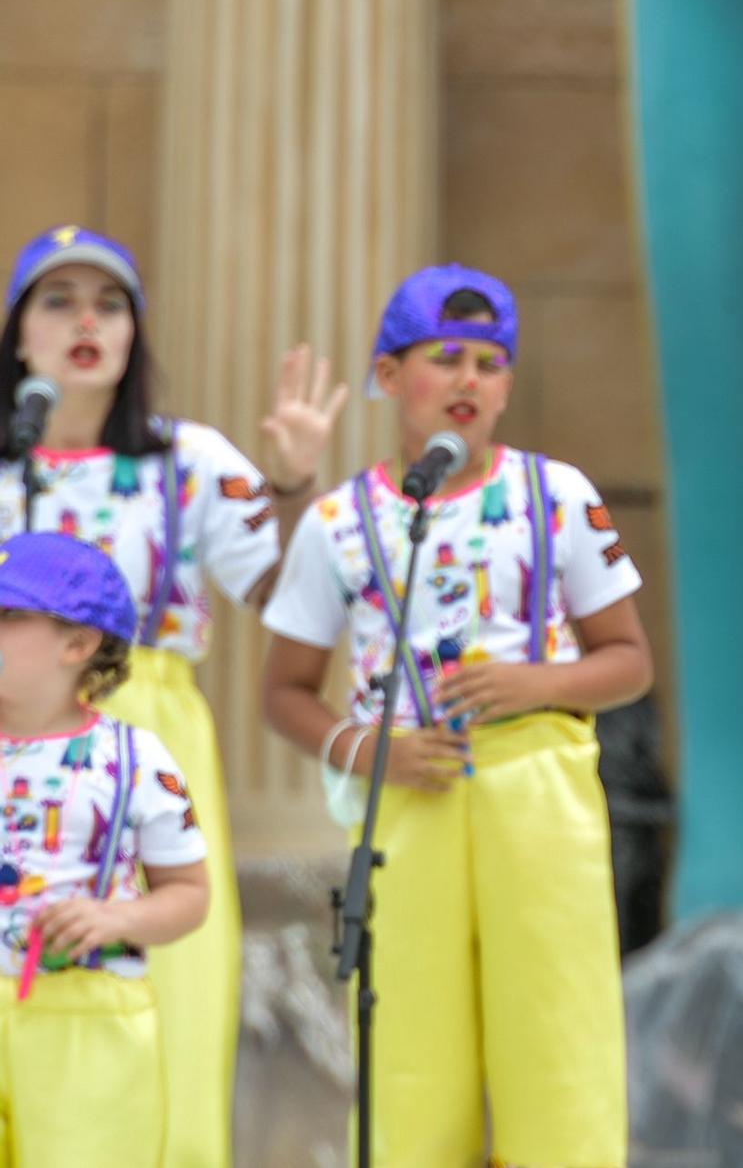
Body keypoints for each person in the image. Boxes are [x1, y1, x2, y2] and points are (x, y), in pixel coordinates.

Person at [261, 264, 652, 1167]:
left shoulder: (557, 496)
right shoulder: (339, 520)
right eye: (446, 359)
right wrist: (367, 752)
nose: (470, 380)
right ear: (391, 378)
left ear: (509, 384)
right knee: (411, 1049)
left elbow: (628, 661)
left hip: (539, 794)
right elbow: (284, 690)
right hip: (409, 803)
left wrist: (538, 682)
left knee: (556, 1037)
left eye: (490, 362)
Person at [0, 223, 345, 1166]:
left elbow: (282, 590)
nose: (86, 322)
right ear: (19, 334)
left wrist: (292, 481)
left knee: (170, 973)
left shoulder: (185, 459)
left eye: (109, 304)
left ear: (135, 336)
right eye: (59, 301)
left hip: (145, 713)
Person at [0, 532, 209, 1165]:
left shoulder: (137, 758)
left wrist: (115, 918)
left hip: (88, 1024)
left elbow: (190, 894)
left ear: (78, 643)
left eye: (9, 616)